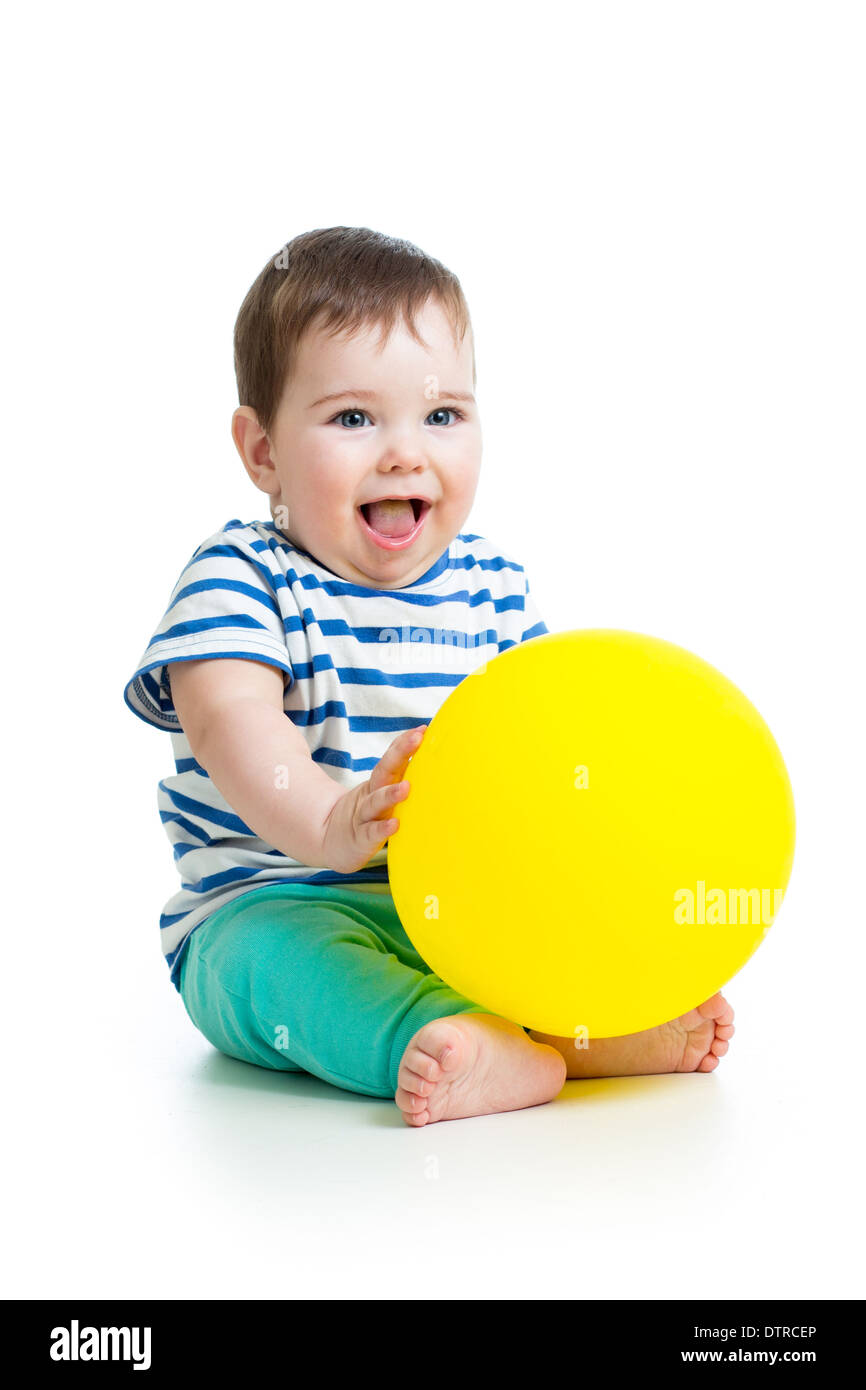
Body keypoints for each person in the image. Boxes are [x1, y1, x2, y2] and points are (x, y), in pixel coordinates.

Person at [123, 226, 734, 1127]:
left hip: (459, 915)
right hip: (275, 899)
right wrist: (330, 824)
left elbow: (543, 753)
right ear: (262, 454)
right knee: (285, 968)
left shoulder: (493, 588)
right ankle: (437, 1037)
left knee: (532, 941)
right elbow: (229, 724)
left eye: (442, 416)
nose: (405, 452)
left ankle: (583, 1024)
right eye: (353, 418)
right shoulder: (242, 574)